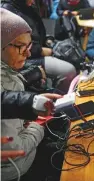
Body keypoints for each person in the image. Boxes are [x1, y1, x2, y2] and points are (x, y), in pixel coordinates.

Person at [0, 8, 62, 181]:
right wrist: (39, 125)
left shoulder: (10, 75)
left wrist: (29, 109)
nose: (27, 54)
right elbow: (15, 150)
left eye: (29, 46)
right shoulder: (6, 83)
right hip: (16, 170)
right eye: (20, 47)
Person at [1, 0, 77, 93]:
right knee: (68, 70)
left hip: (32, 52)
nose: (33, 1)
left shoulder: (29, 7)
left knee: (72, 56)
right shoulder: (7, 12)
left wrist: (48, 41)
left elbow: (37, 34)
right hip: (31, 56)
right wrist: (40, 51)